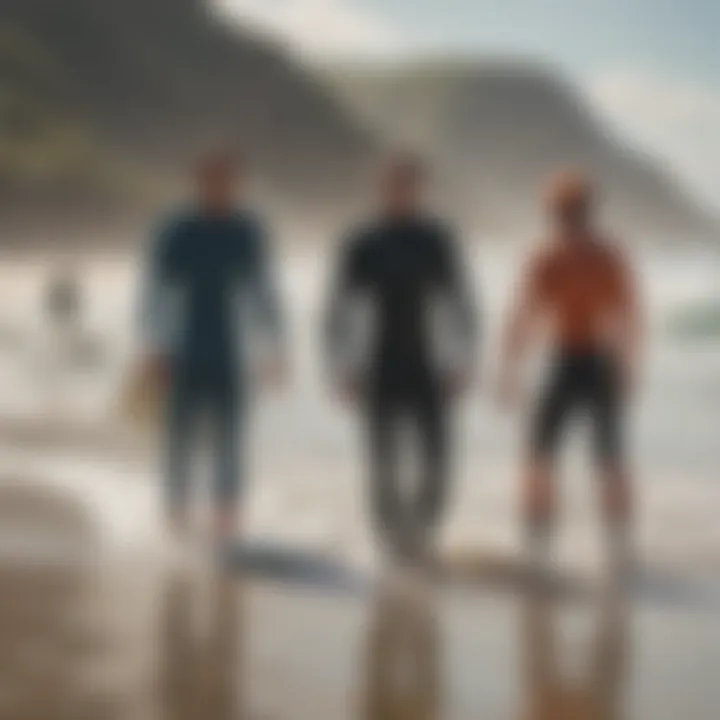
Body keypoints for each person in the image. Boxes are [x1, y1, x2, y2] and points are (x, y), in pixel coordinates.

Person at [324, 154, 479, 560]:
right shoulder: (363, 242)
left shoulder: (435, 239)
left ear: (419, 189)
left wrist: (462, 360)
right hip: (377, 366)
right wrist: (340, 367)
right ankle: (391, 544)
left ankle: (422, 533)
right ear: (380, 188)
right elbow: (337, 309)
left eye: (407, 185)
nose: (400, 192)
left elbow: (461, 303)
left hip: (427, 364)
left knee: (438, 457)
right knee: (382, 461)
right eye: (392, 184)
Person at [497, 170, 642, 578]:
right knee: (542, 457)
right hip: (569, 359)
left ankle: (617, 547)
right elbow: (523, 315)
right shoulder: (550, 258)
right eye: (564, 213)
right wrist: (510, 368)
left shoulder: (603, 257)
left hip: (594, 360)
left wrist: (628, 366)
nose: (568, 220)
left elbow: (627, 316)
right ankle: (539, 545)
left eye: (573, 212)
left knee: (606, 459)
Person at [140, 151, 284, 545]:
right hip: (182, 347)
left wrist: (273, 349)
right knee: (179, 436)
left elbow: (263, 292)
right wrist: (154, 344)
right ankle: (176, 512)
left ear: (236, 184)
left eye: (227, 180)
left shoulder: (246, 230)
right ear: (198, 181)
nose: (219, 187)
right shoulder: (178, 229)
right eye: (212, 179)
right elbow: (155, 290)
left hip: (229, 350)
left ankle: (227, 515)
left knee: (231, 436)